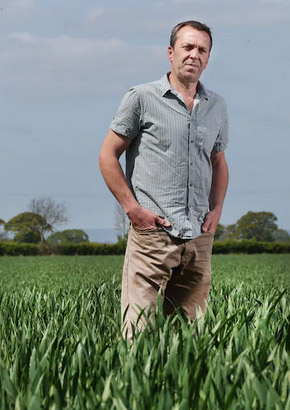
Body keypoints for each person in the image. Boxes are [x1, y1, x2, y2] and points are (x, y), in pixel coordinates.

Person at [98, 20, 229, 340]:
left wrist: (216, 211)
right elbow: (107, 156)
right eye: (187, 47)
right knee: (137, 336)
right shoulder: (141, 97)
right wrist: (133, 210)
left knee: (189, 340)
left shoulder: (217, 106)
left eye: (202, 50)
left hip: (198, 236)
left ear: (208, 59)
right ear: (171, 53)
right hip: (153, 234)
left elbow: (218, 161)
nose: (194, 55)